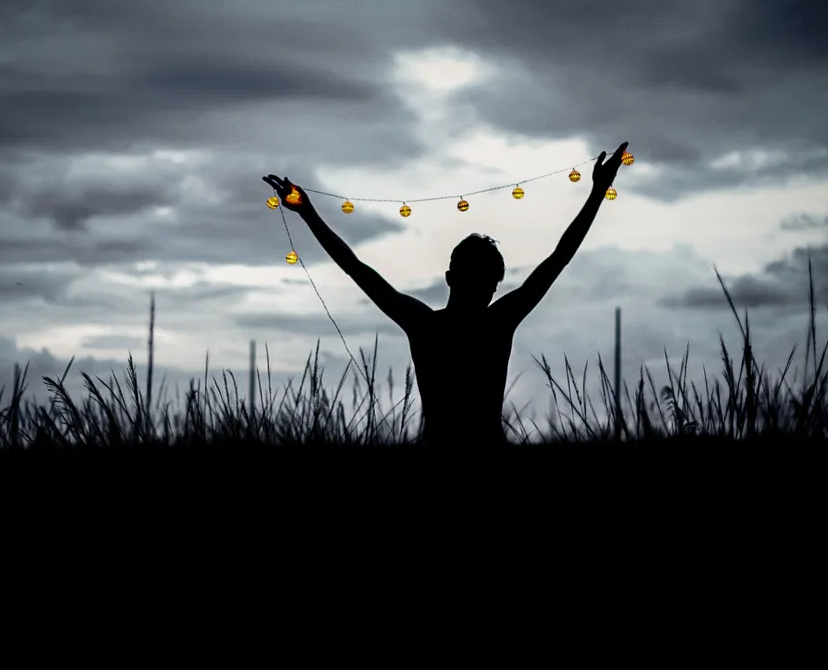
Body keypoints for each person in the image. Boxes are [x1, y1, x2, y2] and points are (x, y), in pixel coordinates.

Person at [264, 142, 629, 447]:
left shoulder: (425, 324)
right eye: (482, 279)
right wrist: (597, 191)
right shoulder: (494, 322)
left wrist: (309, 215)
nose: (482, 287)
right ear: (484, 282)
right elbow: (559, 259)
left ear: (450, 277)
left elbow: (355, 268)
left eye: (483, 280)